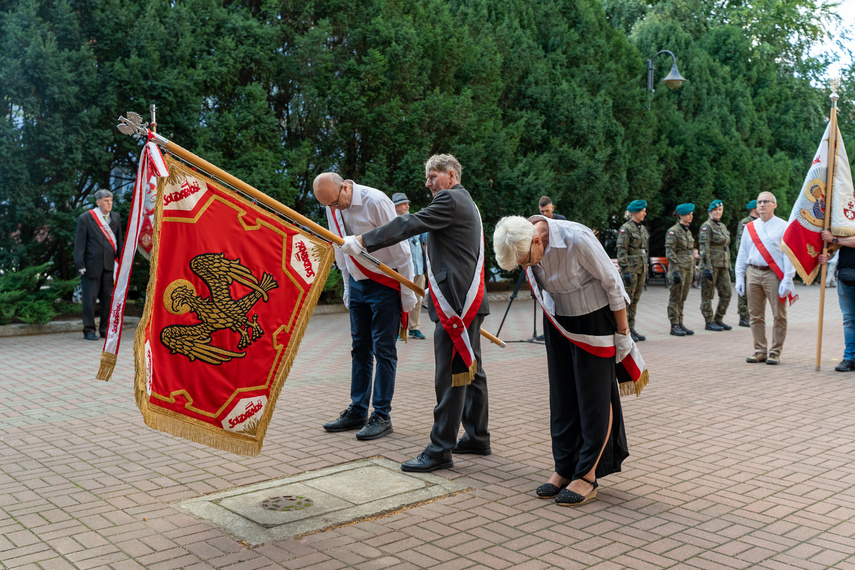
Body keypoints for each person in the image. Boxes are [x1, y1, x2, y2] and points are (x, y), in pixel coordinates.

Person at [341, 154, 491, 473]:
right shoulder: (464, 200)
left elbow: (409, 223)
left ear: (451, 175)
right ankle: (478, 436)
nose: (427, 183)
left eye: (433, 176)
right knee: (471, 368)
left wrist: (363, 240)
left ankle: (440, 450)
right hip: (467, 298)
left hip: (456, 302)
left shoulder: (449, 199)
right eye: (427, 177)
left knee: (451, 375)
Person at [493, 215, 630, 506]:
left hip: (593, 321)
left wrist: (623, 332)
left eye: (525, 261)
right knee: (562, 397)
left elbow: (613, 283)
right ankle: (564, 468)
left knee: (594, 398)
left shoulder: (576, 239)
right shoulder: (525, 242)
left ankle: (587, 475)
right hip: (558, 322)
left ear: (536, 241)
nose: (526, 268)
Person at [314, 173, 417, 440]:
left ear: (345, 187)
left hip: (385, 283)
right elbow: (340, 248)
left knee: (384, 350)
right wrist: (348, 287)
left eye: (335, 202)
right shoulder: (332, 206)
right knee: (359, 348)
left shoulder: (376, 201)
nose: (334, 209)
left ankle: (381, 415)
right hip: (357, 282)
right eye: (328, 206)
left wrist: (407, 294)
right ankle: (358, 409)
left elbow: (402, 250)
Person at [734, 192, 796, 365]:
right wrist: (739, 277)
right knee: (755, 315)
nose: (761, 205)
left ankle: (775, 352)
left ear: (774, 205)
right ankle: (760, 350)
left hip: (773, 274)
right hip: (753, 272)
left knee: (779, 315)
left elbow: (788, 255)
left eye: (766, 202)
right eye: (759, 202)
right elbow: (742, 253)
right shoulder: (750, 227)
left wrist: (787, 279)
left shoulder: (783, 226)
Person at [74, 189, 123, 341]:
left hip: (110, 266)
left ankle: (105, 329)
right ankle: (89, 330)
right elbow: (79, 243)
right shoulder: (86, 218)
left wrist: (121, 261)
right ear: (98, 202)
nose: (109, 204)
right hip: (90, 266)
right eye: (106, 201)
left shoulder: (116, 217)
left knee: (108, 300)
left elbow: (119, 240)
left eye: (111, 200)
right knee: (89, 300)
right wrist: (80, 264)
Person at [392, 192, 428, 340]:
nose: (407, 205)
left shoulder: (415, 221)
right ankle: (399, 329)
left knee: (417, 300)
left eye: (408, 203)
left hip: (418, 268)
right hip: (401, 270)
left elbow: (425, 242)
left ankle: (414, 328)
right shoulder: (392, 223)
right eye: (403, 203)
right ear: (395, 206)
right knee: (399, 300)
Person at [818, 231, 854, 371]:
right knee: (849, 320)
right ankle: (849, 358)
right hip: (845, 277)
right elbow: (834, 248)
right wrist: (827, 256)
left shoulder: (838, 235)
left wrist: (834, 239)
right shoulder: (843, 222)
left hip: (846, 276)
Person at [616, 200, 649, 342]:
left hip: (641, 268)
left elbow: (644, 249)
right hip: (630, 269)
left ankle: (632, 327)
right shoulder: (626, 228)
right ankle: (625, 329)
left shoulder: (642, 229)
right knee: (627, 300)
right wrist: (625, 269)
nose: (645, 213)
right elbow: (622, 250)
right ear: (635, 212)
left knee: (635, 299)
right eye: (643, 211)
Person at [699, 200, 733, 331]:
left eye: (720, 210)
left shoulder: (723, 226)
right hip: (711, 266)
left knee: (727, 293)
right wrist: (707, 267)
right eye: (715, 210)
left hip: (723, 265)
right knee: (707, 294)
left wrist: (729, 265)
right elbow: (704, 248)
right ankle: (709, 321)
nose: (717, 212)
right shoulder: (706, 226)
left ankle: (718, 319)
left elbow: (726, 247)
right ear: (710, 212)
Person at [666, 204, 696, 337]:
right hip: (678, 269)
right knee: (675, 297)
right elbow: (670, 251)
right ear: (681, 215)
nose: (691, 216)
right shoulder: (673, 231)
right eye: (688, 214)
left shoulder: (687, 232)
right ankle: (674, 324)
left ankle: (680, 322)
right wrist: (675, 270)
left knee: (683, 297)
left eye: (691, 214)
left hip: (688, 268)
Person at [734, 200, 759, 327]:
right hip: (748, 261)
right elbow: (740, 243)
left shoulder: (761, 222)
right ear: (754, 209)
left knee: (755, 291)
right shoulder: (745, 222)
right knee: (744, 290)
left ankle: (753, 315)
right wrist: (745, 260)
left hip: (757, 261)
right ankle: (743, 316)